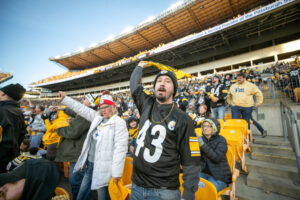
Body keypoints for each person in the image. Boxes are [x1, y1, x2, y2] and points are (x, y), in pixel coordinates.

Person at [129, 61, 201, 200]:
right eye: (159, 81)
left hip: (163, 191)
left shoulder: (183, 118)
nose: (162, 83)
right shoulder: (146, 104)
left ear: (174, 90)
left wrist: (189, 192)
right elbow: (134, 86)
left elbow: (191, 158)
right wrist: (139, 67)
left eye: (167, 81)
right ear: (155, 86)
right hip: (137, 186)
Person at [59, 90, 128, 200]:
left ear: (113, 107)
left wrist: (116, 173)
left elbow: (121, 149)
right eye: (101, 107)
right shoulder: (97, 118)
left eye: (106, 107)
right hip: (90, 165)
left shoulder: (119, 122)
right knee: (82, 194)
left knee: (102, 196)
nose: (103, 110)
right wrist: (66, 99)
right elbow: (81, 109)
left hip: (105, 167)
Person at [55, 94, 93, 200]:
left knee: (76, 181)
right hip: (79, 151)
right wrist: (62, 108)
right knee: (79, 180)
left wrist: (58, 129)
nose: (82, 100)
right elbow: (76, 112)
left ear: (90, 102)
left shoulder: (86, 115)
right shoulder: (87, 113)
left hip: (78, 152)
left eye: (85, 99)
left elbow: (72, 132)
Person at [197, 118, 232, 192]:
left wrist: (202, 145)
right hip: (203, 172)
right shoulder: (201, 139)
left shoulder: (221, 140)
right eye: (204, 126)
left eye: (209, 126)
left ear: (215, 128)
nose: (205, 128)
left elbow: (217, 158)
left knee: (207, 191)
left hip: (220, 175)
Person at [0, 83, 27, 173]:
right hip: (11, 157)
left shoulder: (3, 111)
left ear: (3, 94)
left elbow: (7, 141)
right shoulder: (18, 112)